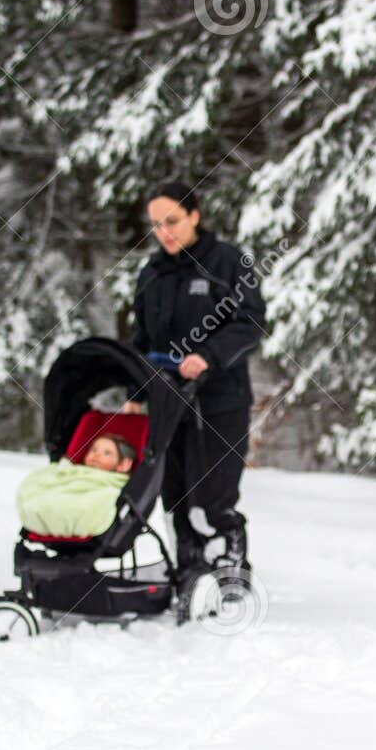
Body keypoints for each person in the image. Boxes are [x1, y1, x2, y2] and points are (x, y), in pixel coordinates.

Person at [125, 180, 266, 577]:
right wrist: (135, 392)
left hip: (219, 401)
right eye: (155, 224)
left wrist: (207, 356)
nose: (163, 232)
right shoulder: (151, 274)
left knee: (212, 495)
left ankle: (229, 571)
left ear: (195, 216)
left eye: (172, 221)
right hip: (168, 402)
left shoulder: (227, 263)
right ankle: (189, 573)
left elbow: (251, 324)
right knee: (174, 493)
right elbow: (141, 338)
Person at [16, 435, 136, 538]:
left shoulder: (113, 481)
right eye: (93, 450)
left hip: (90, 496)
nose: (96, 455)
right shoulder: (75, 471)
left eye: (107, 453)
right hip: (63, 493)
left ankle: (51, 513)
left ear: (123, 464)